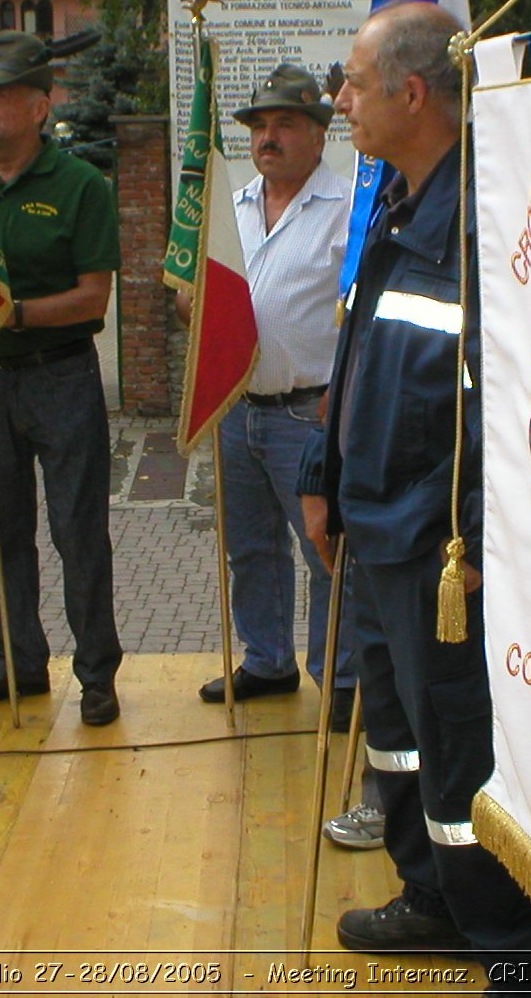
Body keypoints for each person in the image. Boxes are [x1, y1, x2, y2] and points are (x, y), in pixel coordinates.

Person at [299, 1, 531, 989]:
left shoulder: (485, 224)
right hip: (376, 536)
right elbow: (364, 361)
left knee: (459, 755)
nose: (340, 103)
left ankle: (513, 949)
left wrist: (461, 545)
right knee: (400, 744)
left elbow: (507, 412)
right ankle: (431, 898)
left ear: (413, 93)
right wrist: (322, 477)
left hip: (437, 553)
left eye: (355, 84)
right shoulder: (405, 204)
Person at [0, 30, 124, 727]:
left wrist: (12, 314)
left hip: (62, 379)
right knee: (1, 528)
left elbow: (92, 298)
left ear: (40, 105)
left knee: (77, 531)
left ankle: (96, 675)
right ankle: (17, 661)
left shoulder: (80, 186)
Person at [185, 63, 358, 725]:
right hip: (238, 409)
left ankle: (337, 678)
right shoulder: (229, 209)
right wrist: (188, 304)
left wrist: (343, 399)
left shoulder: (346, 210)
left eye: (285, 123)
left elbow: (360, 316)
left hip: (310, 413)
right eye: (259, 125)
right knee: (249, 548)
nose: (269, 137)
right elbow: (201, 303)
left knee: (324, 550)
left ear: (319, 135)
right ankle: (266, 661)